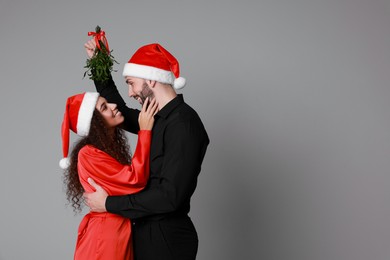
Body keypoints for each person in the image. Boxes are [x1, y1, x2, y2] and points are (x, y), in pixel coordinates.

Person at [83, 41, 210, 259]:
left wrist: (108, 204)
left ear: (151, 79)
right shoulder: (155, 119)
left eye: (131, 83)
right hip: (145, 234)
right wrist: (98, 62)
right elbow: (119, 112)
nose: (130, 93)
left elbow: (169, 197)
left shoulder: (183, 124)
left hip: (165, 240)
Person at [59, 92, 158, 259]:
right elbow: (133, 180)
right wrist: (145, 131)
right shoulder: (88, 154)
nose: (114, 106)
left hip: (116, 230)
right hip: (105, 235)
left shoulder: (107, 150)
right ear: (95, 123)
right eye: (104, 107)